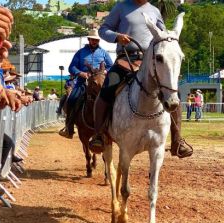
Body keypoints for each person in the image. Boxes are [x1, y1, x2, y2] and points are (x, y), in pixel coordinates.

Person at [89, 0, 193, 158]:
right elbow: (104, 30)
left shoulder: (155, 11)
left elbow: (163, 35)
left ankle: (177, 140)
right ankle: (99, 135)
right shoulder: (121, 7)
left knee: (172, 93)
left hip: (151, 61)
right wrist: (117, 37)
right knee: (106, 91)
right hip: (126, 59)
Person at [60, 29, 113, 138]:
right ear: (89, 39)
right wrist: (81, 73)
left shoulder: (104, 53)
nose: (94, 42)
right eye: (93, 40)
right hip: (82, 82)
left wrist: (104, 72)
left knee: (113, 99)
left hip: (100, 83)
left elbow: (111, 66)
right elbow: (72, 67)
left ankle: (113, 127)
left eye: (96, 40)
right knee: (71, 99)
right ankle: (69, 128)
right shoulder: (80, 53)